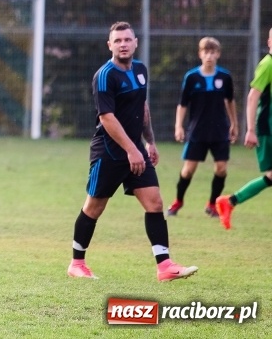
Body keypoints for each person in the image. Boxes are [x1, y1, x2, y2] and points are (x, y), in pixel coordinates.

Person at [67, 21, 198, 282]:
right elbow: (107, 118)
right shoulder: (104, 75)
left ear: (135, 42)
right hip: (109, 153)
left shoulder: (140, 70)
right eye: (117, 41)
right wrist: (131, 150)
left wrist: (149, 143)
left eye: (127, 40)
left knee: (155, 203)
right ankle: (76, 263)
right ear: (110, 45)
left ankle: (165, 266)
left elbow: (142, 109)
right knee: (94, 207)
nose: (123, 44)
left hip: (136, 151)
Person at [168, 37, 238, 218]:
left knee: (221, 168)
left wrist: (234, 124)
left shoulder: (225, 77)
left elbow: (230, 102)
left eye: (213, 52)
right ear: (200, 54)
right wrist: (178, 126)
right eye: (206, 52)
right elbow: (182, 104)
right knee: (188, 170)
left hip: (219, 130)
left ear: (218, 54)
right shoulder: (191, 77)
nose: (209, 55)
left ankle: (212, 204)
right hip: (197, 131)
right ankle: (178, 202)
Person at [216, 27, 272, 230]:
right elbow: (252, 97)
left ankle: (230, 201)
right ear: (269, 42)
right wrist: (250, 129)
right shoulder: (267, 65)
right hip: (268, 129)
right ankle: (230, 201)